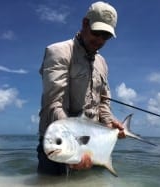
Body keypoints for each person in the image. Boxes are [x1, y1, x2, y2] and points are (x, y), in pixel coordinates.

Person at [37, 1, 125, 175]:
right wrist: (73, 147)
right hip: (60, 142)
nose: (99, 40)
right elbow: (54, 103)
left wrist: (109, 122)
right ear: (85, 23)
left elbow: (103, 102)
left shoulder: (102, 63)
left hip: (93, 143)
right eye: (96, 33)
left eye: (106, 36)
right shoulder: (59, 52)